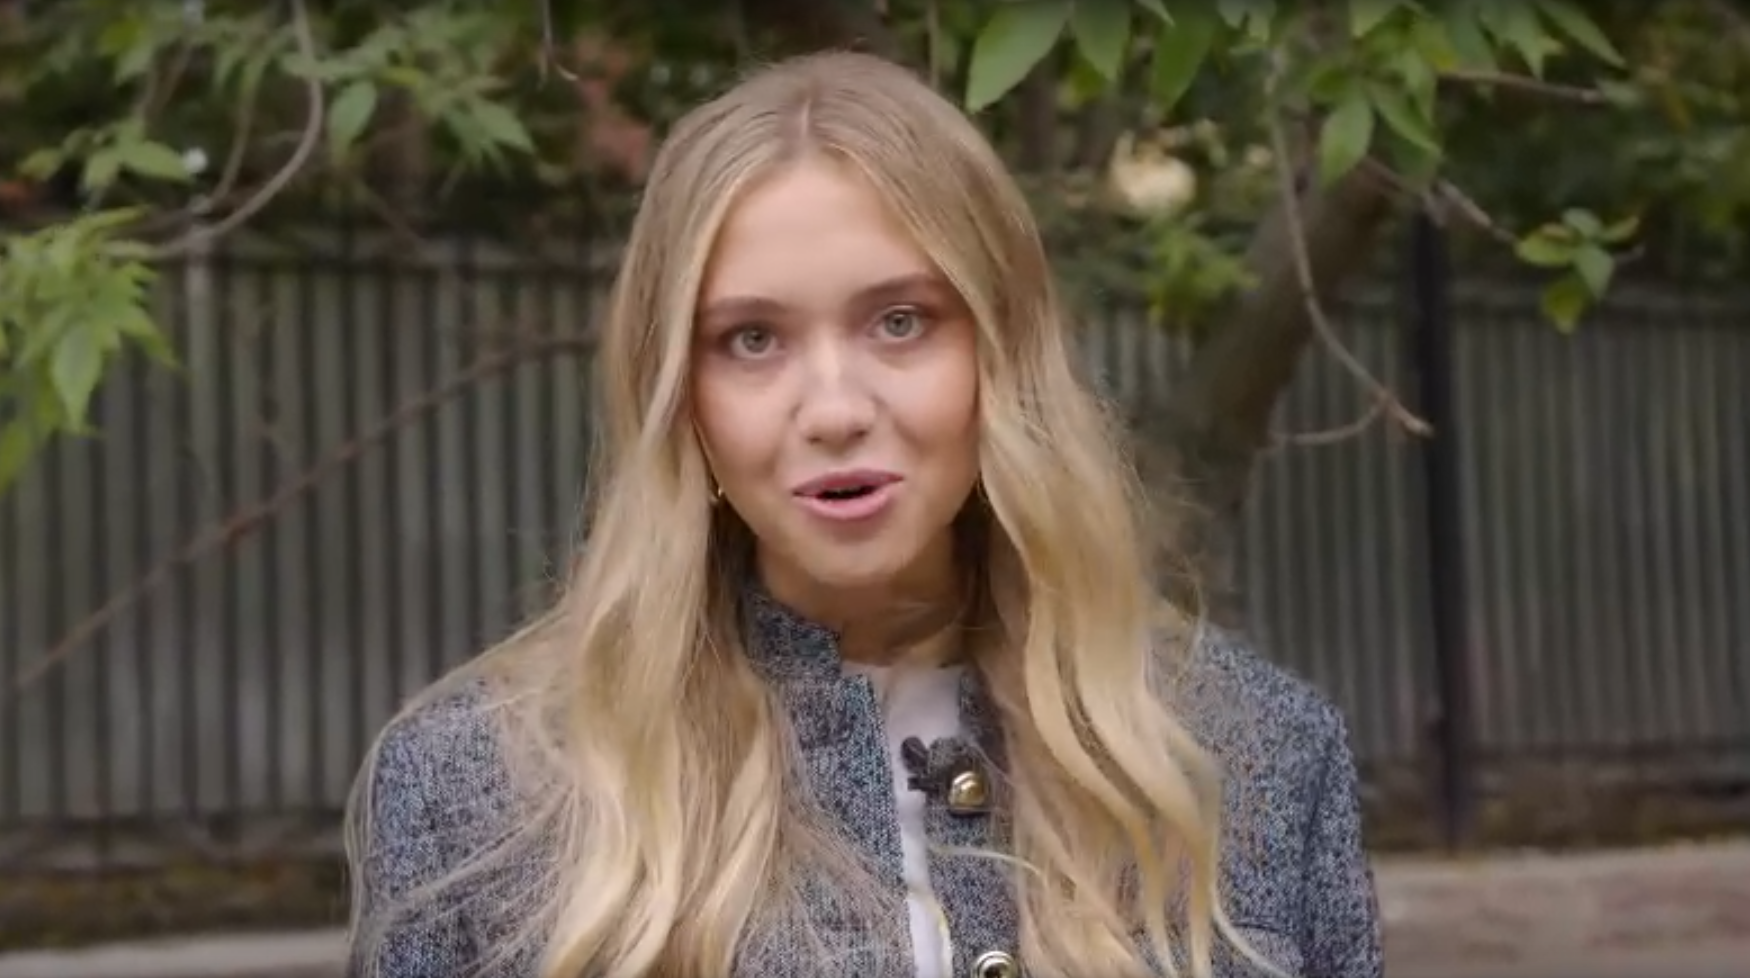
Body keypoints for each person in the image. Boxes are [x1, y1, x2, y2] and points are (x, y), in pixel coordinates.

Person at [345, 50, 1383, 978]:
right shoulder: (478, 789)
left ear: (1001, 353)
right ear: (679, 395)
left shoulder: (1253, 754)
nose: (835, 410)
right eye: (752, 340)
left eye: (899, 322)